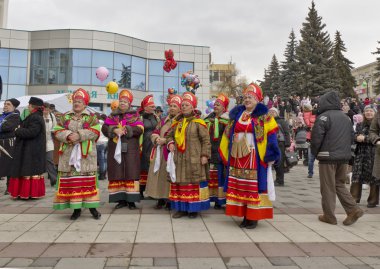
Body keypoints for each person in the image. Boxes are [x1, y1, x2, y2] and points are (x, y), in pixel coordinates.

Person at [219, 83, 280, 229]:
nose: (247, 100)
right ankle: (244, 215)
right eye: (246, 97)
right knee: (239, 186)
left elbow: (272, 136)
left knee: (252, 187)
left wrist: (271, 154)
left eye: (251, 97)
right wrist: (226, 151)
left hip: (254, 156)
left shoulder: (265, 117)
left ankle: (253, 217)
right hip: (237, 156)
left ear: (258, 100)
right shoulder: (236, 116)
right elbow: (227, 134)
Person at [311, 91, 363, 226]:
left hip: (327, 157)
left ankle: (329, 216)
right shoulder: (346, 118)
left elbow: (316, 138)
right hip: (344, 157)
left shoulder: (323, 117)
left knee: (328, 186)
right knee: (339, 184)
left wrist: (315, 153)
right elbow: (351, 137)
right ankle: (353, 209)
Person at [53, 89, 101, 220]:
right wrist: (68, 135)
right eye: (75, 101)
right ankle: (76, 210)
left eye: (79, 101)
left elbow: (96, 131)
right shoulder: (64, 117)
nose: (76, 103)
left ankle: (93, 208)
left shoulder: (91, 117)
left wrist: (80, 135)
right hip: (68, 154)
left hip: (86, 156)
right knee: (73, 183)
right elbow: (57, 131)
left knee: (87, 183)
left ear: (85, 104)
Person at [167, 91, 211, 219]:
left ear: (193, 107)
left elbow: (206, 140)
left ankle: (193, 210)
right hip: (179, 159)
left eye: (187, 105)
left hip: (194, 158)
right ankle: (181, 209)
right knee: (180, 183)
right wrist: (170, 143)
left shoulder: (199, 122)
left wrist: (204, 155)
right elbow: (169, 135)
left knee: (193, 183)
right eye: (183, 105)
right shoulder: (177, 123)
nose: (184, 107)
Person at [102, 90, 144, 210]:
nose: (122, 103)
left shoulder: (135, 115)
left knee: (131, 172)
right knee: (117, 171)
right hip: (115, 148)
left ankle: (131, 201)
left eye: (125, 101)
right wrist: (114, 130)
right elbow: (104, 128)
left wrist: (128, 129)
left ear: (129, 103)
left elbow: (140, 128)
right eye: (121, 101)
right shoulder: (112, 115)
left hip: (131, 149)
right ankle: (120, 200)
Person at [146, 93, 182, 209]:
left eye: (175, 106)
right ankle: (160, 197)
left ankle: (170, 199)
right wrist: (156, 139)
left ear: (180, 108)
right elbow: (155, 132)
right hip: (160, 152)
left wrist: (165, 141)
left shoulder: (181, 122)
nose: (172, 108)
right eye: (171, 106)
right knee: (159, 176)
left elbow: (180, 137)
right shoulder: (163, 120)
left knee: (169, 175)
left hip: (172, 153)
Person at [8, 97, 46, 199]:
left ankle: (29, 193)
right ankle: (26, 193)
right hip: (29, 149)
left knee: (29, 171)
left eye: (29, 104)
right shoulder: (35, 116)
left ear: (32, 106)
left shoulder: (36, 117)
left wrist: (17, 130)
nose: (28, 106)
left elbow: (32, 132)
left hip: (31, 150)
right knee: (27, 171)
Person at [204, 93, 229, 208]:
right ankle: (208, 199)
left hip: (221, 152)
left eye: (218, 105)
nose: (216, 106)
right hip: (209, 152)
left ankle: (220, 201)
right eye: (215, 104)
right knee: (210, 177)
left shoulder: (227, 121)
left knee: (220, 177)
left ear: (224, 108)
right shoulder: (207, 119)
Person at [351, 105, 379, 208]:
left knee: (374, 177)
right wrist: (356, 137)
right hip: (360, 153)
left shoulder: (377, 125)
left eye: (371, 111)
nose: (369, 113)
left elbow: (377, 138)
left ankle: (373, 201)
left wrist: (365, 138)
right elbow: (353, 135)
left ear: (375, 113)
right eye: (367, 111)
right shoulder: (360, 124)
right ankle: (353, 199)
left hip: (373, 154)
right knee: (356, 175)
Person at [139, 95, 159, 199]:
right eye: (151, 106)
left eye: (154, 106)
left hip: (153, 144)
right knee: (142, 166)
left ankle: (150, 190)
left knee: (152, 166)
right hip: (143, 144)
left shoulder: (155, 117)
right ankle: (140, 190)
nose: (153, 108)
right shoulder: (140, 116)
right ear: (145, 107)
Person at [0, 98, 21, 194]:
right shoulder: (2, 116)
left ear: (14, 107)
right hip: (1, 142)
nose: (5, 105)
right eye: (5, 104)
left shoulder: (15, 116)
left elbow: (6, 127)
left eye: (8, 104)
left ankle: (9, 188)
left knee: (8, 166)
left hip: (8, 144)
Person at [268, 107, 291, 186]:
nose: (271, 113)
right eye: (270, 112)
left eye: (273, 112)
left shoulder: (281, 121)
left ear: (276, 113)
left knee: (279, 162)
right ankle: (277, 179)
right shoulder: (267, 121)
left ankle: (280, 180)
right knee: (273, 162)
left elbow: (287, 133)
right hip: (271, 143)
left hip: (280, 143)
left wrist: (287, 145)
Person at [43, 102, 58, 187]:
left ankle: (54, 179)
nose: (46, 111)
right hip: (40, 141)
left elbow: (55, 127)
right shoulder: (39, 116)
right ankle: (37, 180)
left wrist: (53, 130)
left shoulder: (52, 116)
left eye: (47, 109)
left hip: (49, 141)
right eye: (45, 109)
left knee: (50, 160)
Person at [303, 104, 316, 178]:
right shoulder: (308, 115)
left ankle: (310, 173)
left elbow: (307, 124)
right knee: (311, 157)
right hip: (312, 139)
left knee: (311, 157)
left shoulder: (307, 115)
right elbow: (308, 124)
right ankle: (310, 172)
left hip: (311, 138)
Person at [96, 114, 108, 180]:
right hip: (106, 142)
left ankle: (102, 175)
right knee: (105, 160)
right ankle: (104, 174)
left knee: (101, 160)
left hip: (100, 143)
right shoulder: (104, 124)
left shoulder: (97, 126)